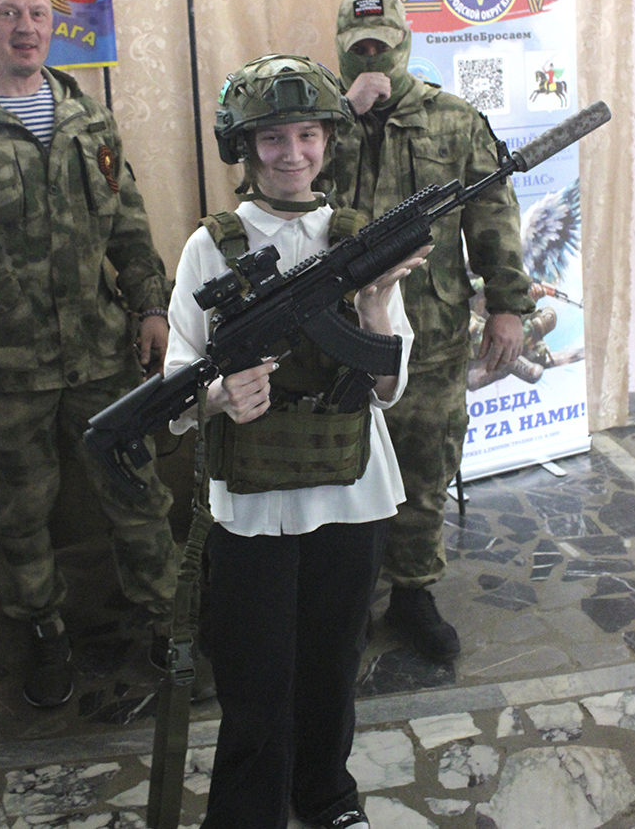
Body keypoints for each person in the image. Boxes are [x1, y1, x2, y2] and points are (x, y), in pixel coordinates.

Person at [165, 54, 426, 829]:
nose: (292, 154)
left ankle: (327, 795)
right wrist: (218, 394)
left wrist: (377, 303)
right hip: (253, 503)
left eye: (307, 134)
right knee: (254, 675)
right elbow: (176, 383)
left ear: (327, 140)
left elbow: (389, 385)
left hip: (352, 488)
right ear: (244, 148)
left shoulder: (357, 238)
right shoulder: (211, 246)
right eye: (273, 138)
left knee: (334, 662)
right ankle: (248, 813)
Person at [0, 0, 178, 708]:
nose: (26, 27)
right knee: (18, 513)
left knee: (138, 490)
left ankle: (163, 615)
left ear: (53, 24)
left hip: (99, 352)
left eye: (38, 13)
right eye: (8, 13)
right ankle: (42, 631)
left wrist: (151, 306)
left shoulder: (86, 116)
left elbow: (128, 223)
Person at [331, 0, 534, 663]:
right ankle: (350, 596)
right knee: (341, 470)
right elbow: (276, 196)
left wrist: (507, 306)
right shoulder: (316, 121)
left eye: (382, 48)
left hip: (433, 332)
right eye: (359, 49)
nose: (372, 60)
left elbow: (494, 216)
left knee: (425, 466)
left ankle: (413, 592)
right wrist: (342, 117)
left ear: (405, 44)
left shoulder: (454, 120)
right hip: (337, 336)